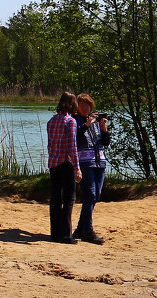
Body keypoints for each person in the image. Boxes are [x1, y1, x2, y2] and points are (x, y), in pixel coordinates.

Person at [74, 93, 110, 244]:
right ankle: (87, 231)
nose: (85, 107)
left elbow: (106, 142)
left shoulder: (95, 121)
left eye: (87, 105)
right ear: (77, 106)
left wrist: (103, 128)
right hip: (85, 162)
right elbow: (75, 137)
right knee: (90, 195)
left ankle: (80, 229)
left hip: (99, 162)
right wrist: (87, 124)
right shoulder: (75, 121)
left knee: (95, 196)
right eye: (82, 105)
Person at [47, 92, 82, 244]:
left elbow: (50, 144)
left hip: (53, 163)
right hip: (66, 164)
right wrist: (77, 168)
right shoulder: (71, 122)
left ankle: (55, 233)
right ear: (72, 104)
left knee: (55, 198)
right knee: (69, 199)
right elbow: (72, 147)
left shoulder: (51, 120)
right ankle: (66, 235)